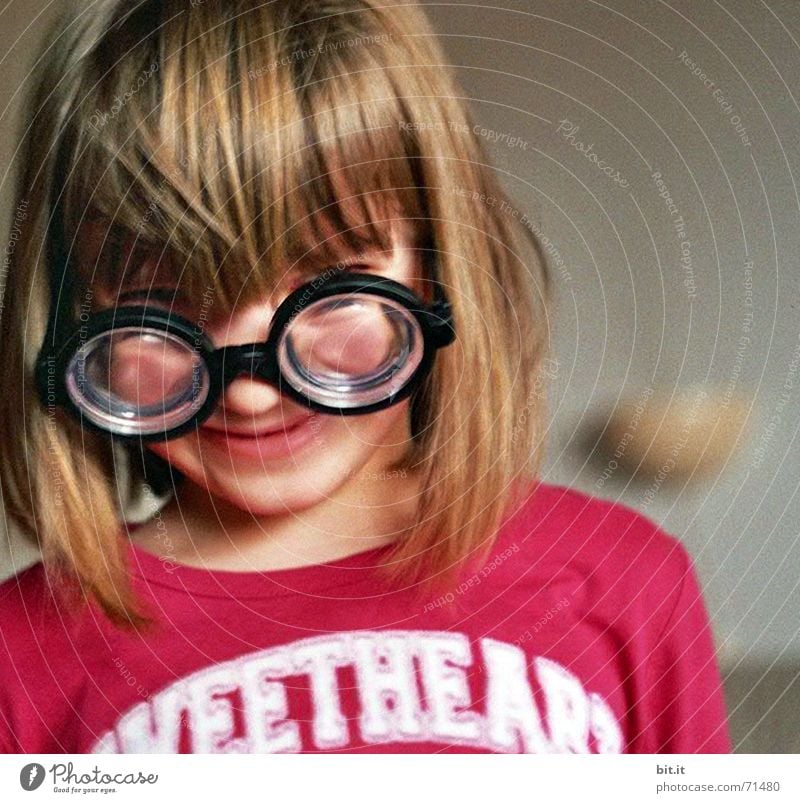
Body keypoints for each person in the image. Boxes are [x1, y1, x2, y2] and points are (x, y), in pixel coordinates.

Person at [0, 0, 730, 754]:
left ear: (432, 269)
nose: (251, 392)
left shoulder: (626, 577)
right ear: (73, 316)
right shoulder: (15, 660)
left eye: (329, 282)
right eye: (160, 300)